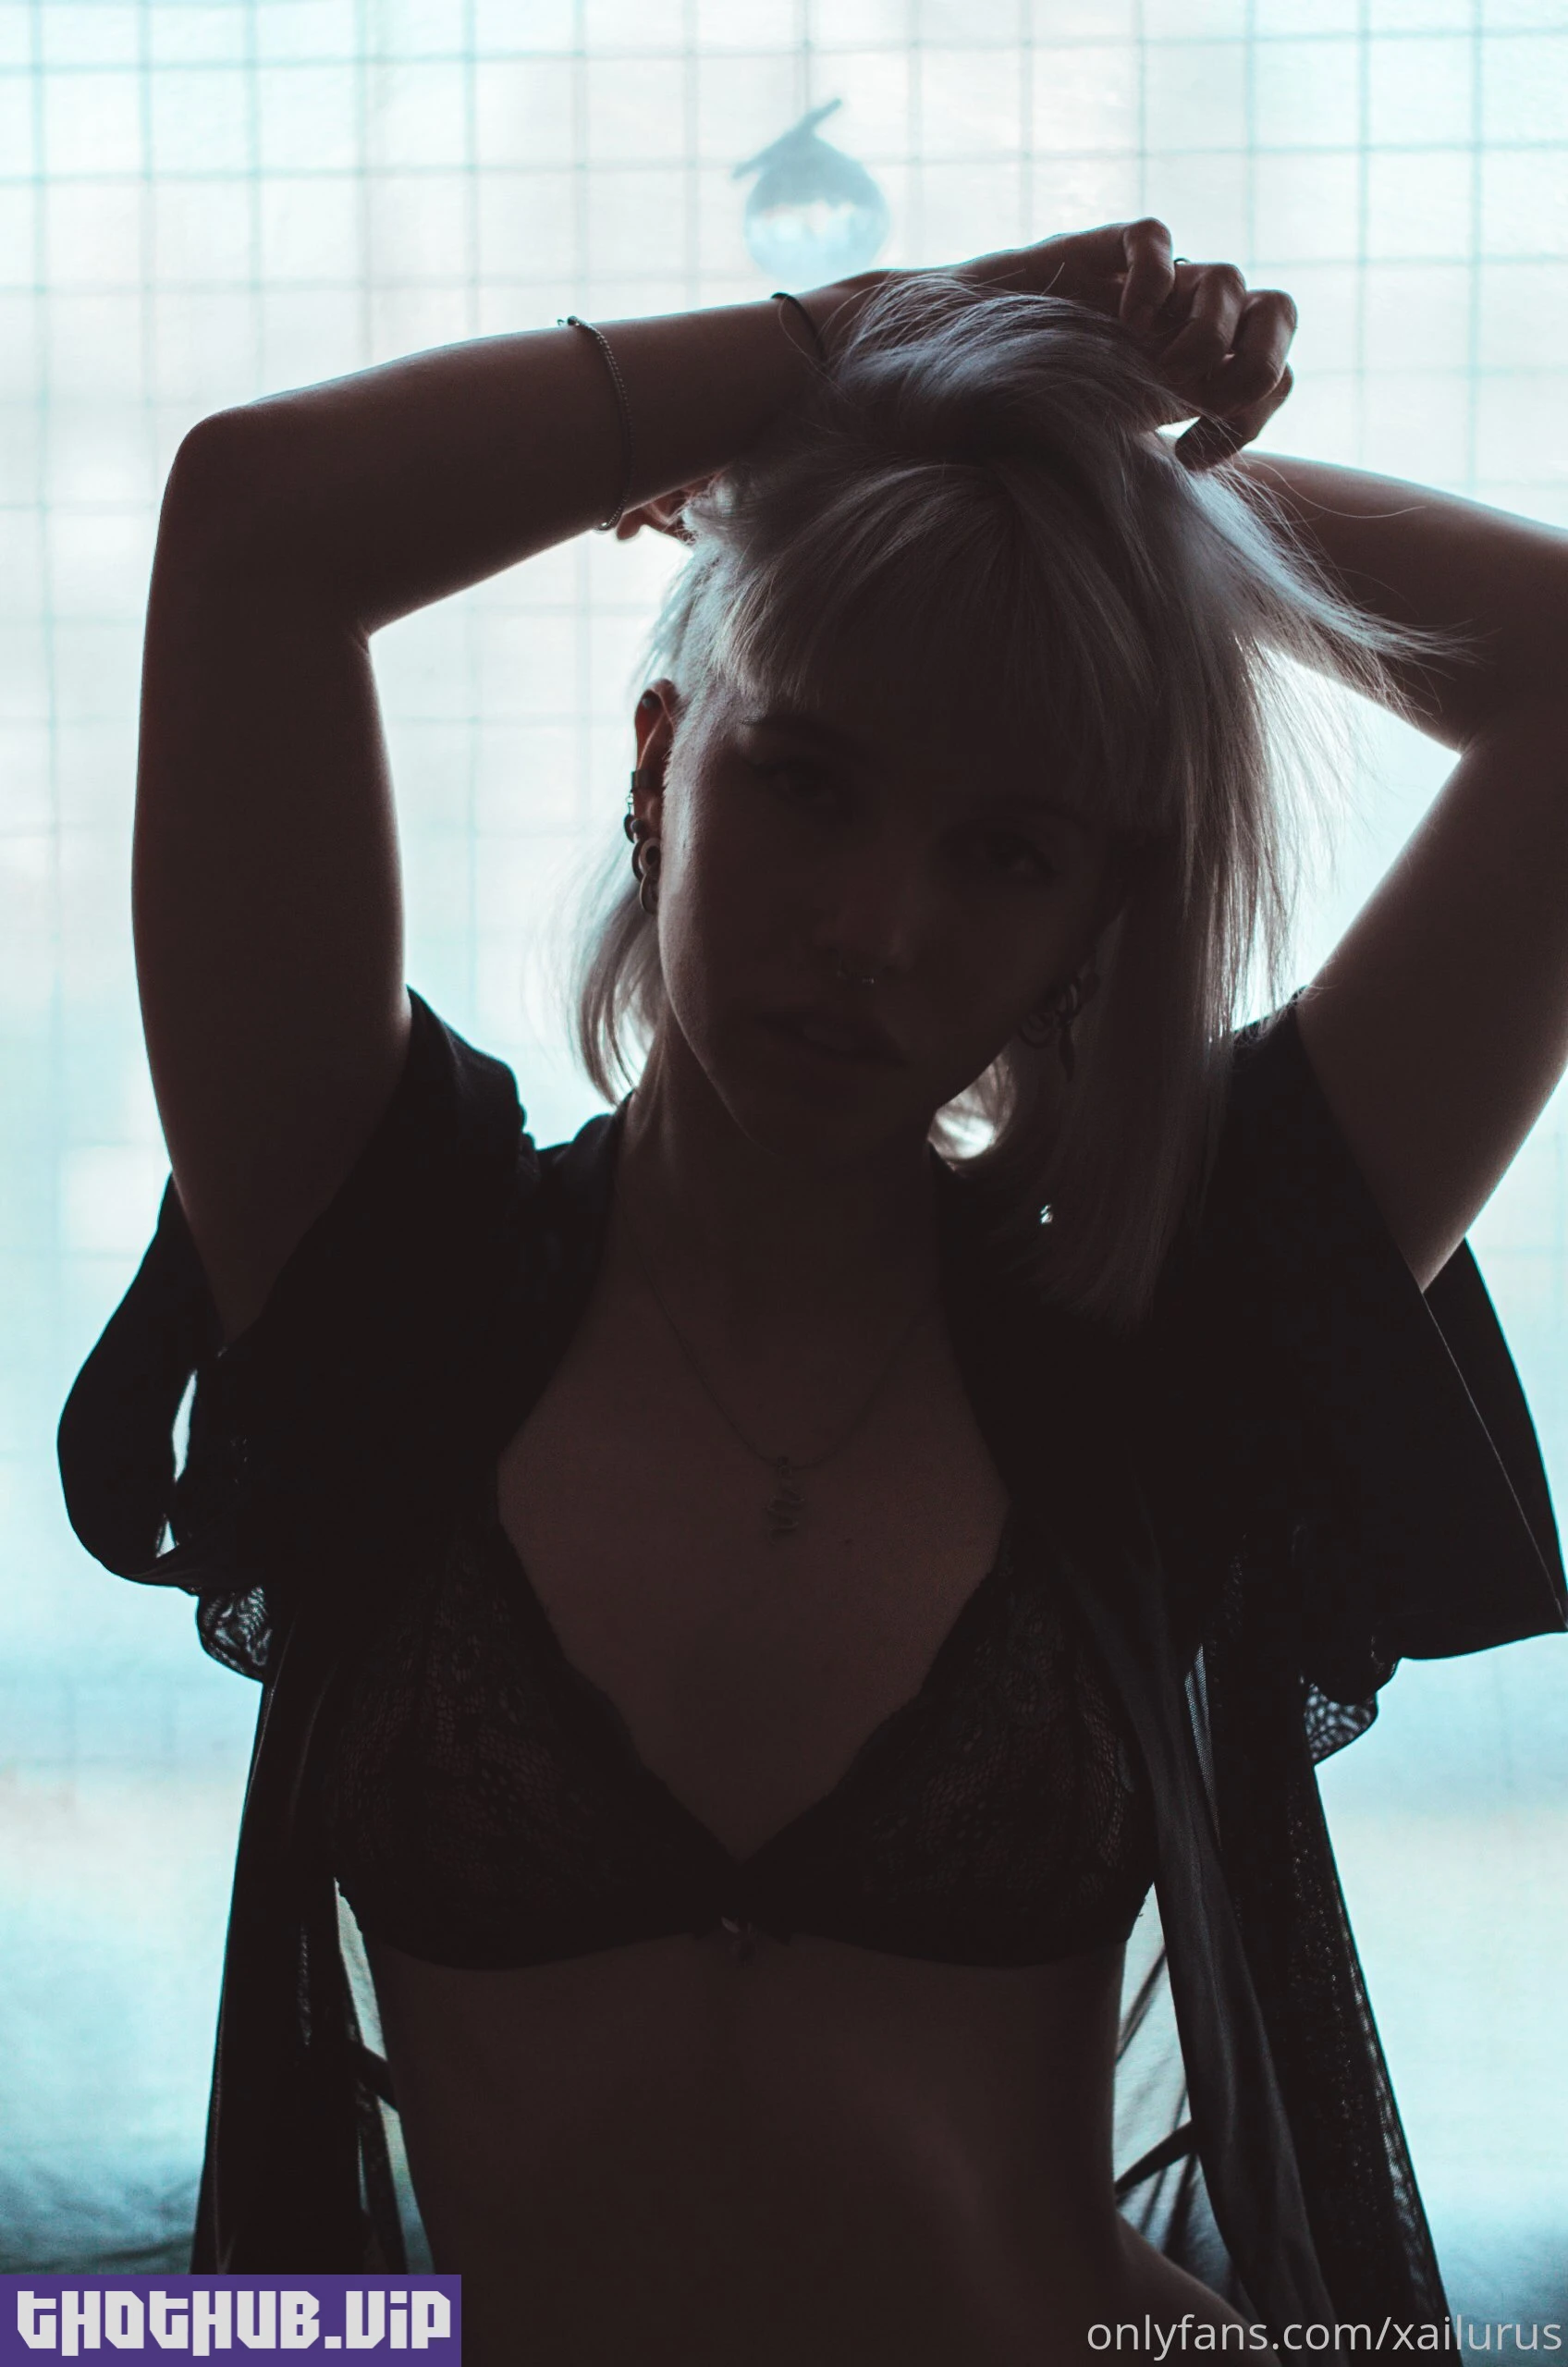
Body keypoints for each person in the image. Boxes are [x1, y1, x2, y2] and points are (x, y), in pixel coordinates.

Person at [57, 220, 1568, 2361]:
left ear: (1087, 922)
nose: (874, 927)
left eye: (1005, 848)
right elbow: (254, 526)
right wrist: (863, 359)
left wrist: (1094, 492)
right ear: (660, 758)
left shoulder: (1160, 1329)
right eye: (810, 779)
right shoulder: (388, 1262)